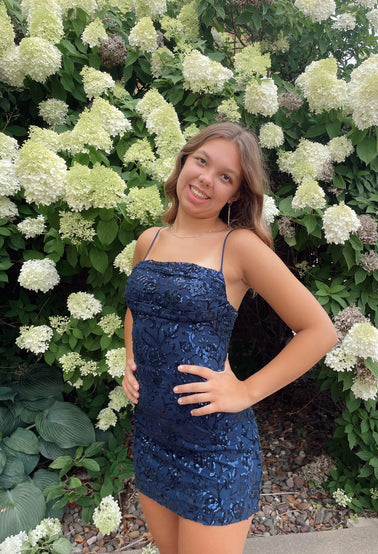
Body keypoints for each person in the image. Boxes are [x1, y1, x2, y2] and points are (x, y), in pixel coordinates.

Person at [123, 122, 337, 554]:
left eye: (225, 176)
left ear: (237, 193)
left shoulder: (239, 246)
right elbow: (136, 307)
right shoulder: (149, 240)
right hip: (152, 437)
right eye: (202, 162)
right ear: (184, 161)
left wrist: (245, 391)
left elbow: (320, 332)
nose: (206, 179)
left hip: (215, 448)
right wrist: (131, 360)